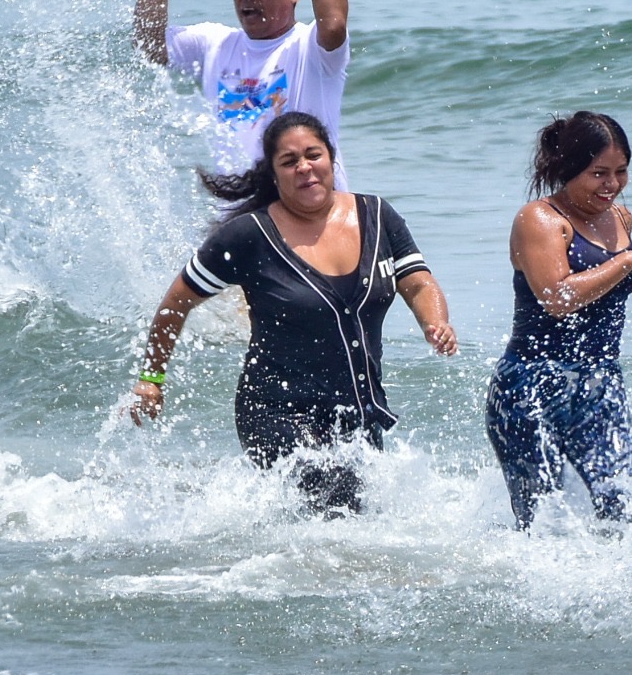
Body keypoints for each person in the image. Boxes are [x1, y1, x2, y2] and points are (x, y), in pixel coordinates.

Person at [132, 111, 456, 514]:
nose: (304, 167)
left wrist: (435, 322)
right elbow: (175, 304)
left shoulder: (377, 216)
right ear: (274, 175)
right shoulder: (249, 236)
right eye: (289, 161)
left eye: (313, 155)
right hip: (274, 410)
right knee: (335, 503)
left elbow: (419, 283)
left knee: (353, 521)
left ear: (331, 158)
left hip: (359, 412)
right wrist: (151, 379)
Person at [484, 111, 632, 531]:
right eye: (598, 173)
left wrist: (628, 258)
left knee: (622, 513)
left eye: (621, 171)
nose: (611, 184)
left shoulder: (621, 219)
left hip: (600, 385)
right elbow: (558, 298)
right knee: (540, 524)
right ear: (569, 168)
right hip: (531, 386)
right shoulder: (539, 219)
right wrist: (630, 260)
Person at [133, 0, 352, 180]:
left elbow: (333, 24)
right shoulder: (214, 43)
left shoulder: (309, 48)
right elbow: (147, 44)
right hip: (241, 206)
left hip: (312, 200)